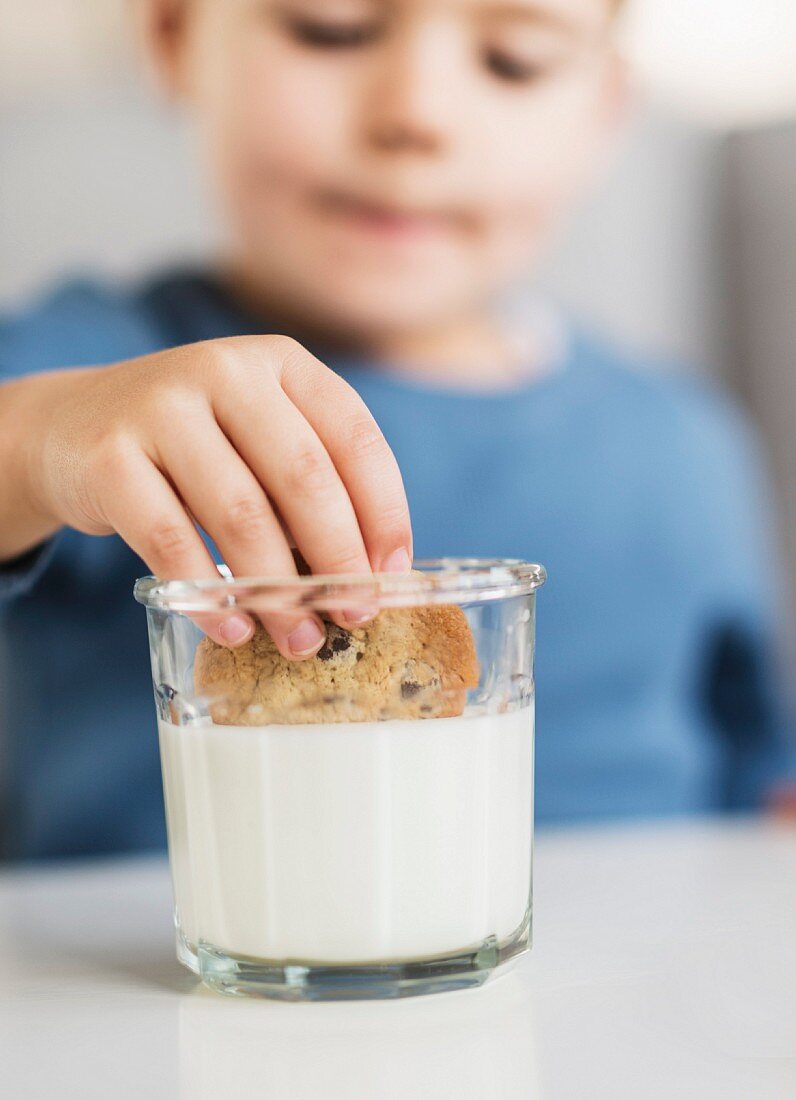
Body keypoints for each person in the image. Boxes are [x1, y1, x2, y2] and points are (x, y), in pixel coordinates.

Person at [0, 0, 792, 860]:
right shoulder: (100, 383)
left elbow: (754, 775)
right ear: (174, 36)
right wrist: (39, 439)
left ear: (604, 111)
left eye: (513, 60)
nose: (414, 113)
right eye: (329, 28)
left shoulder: (684, 444)